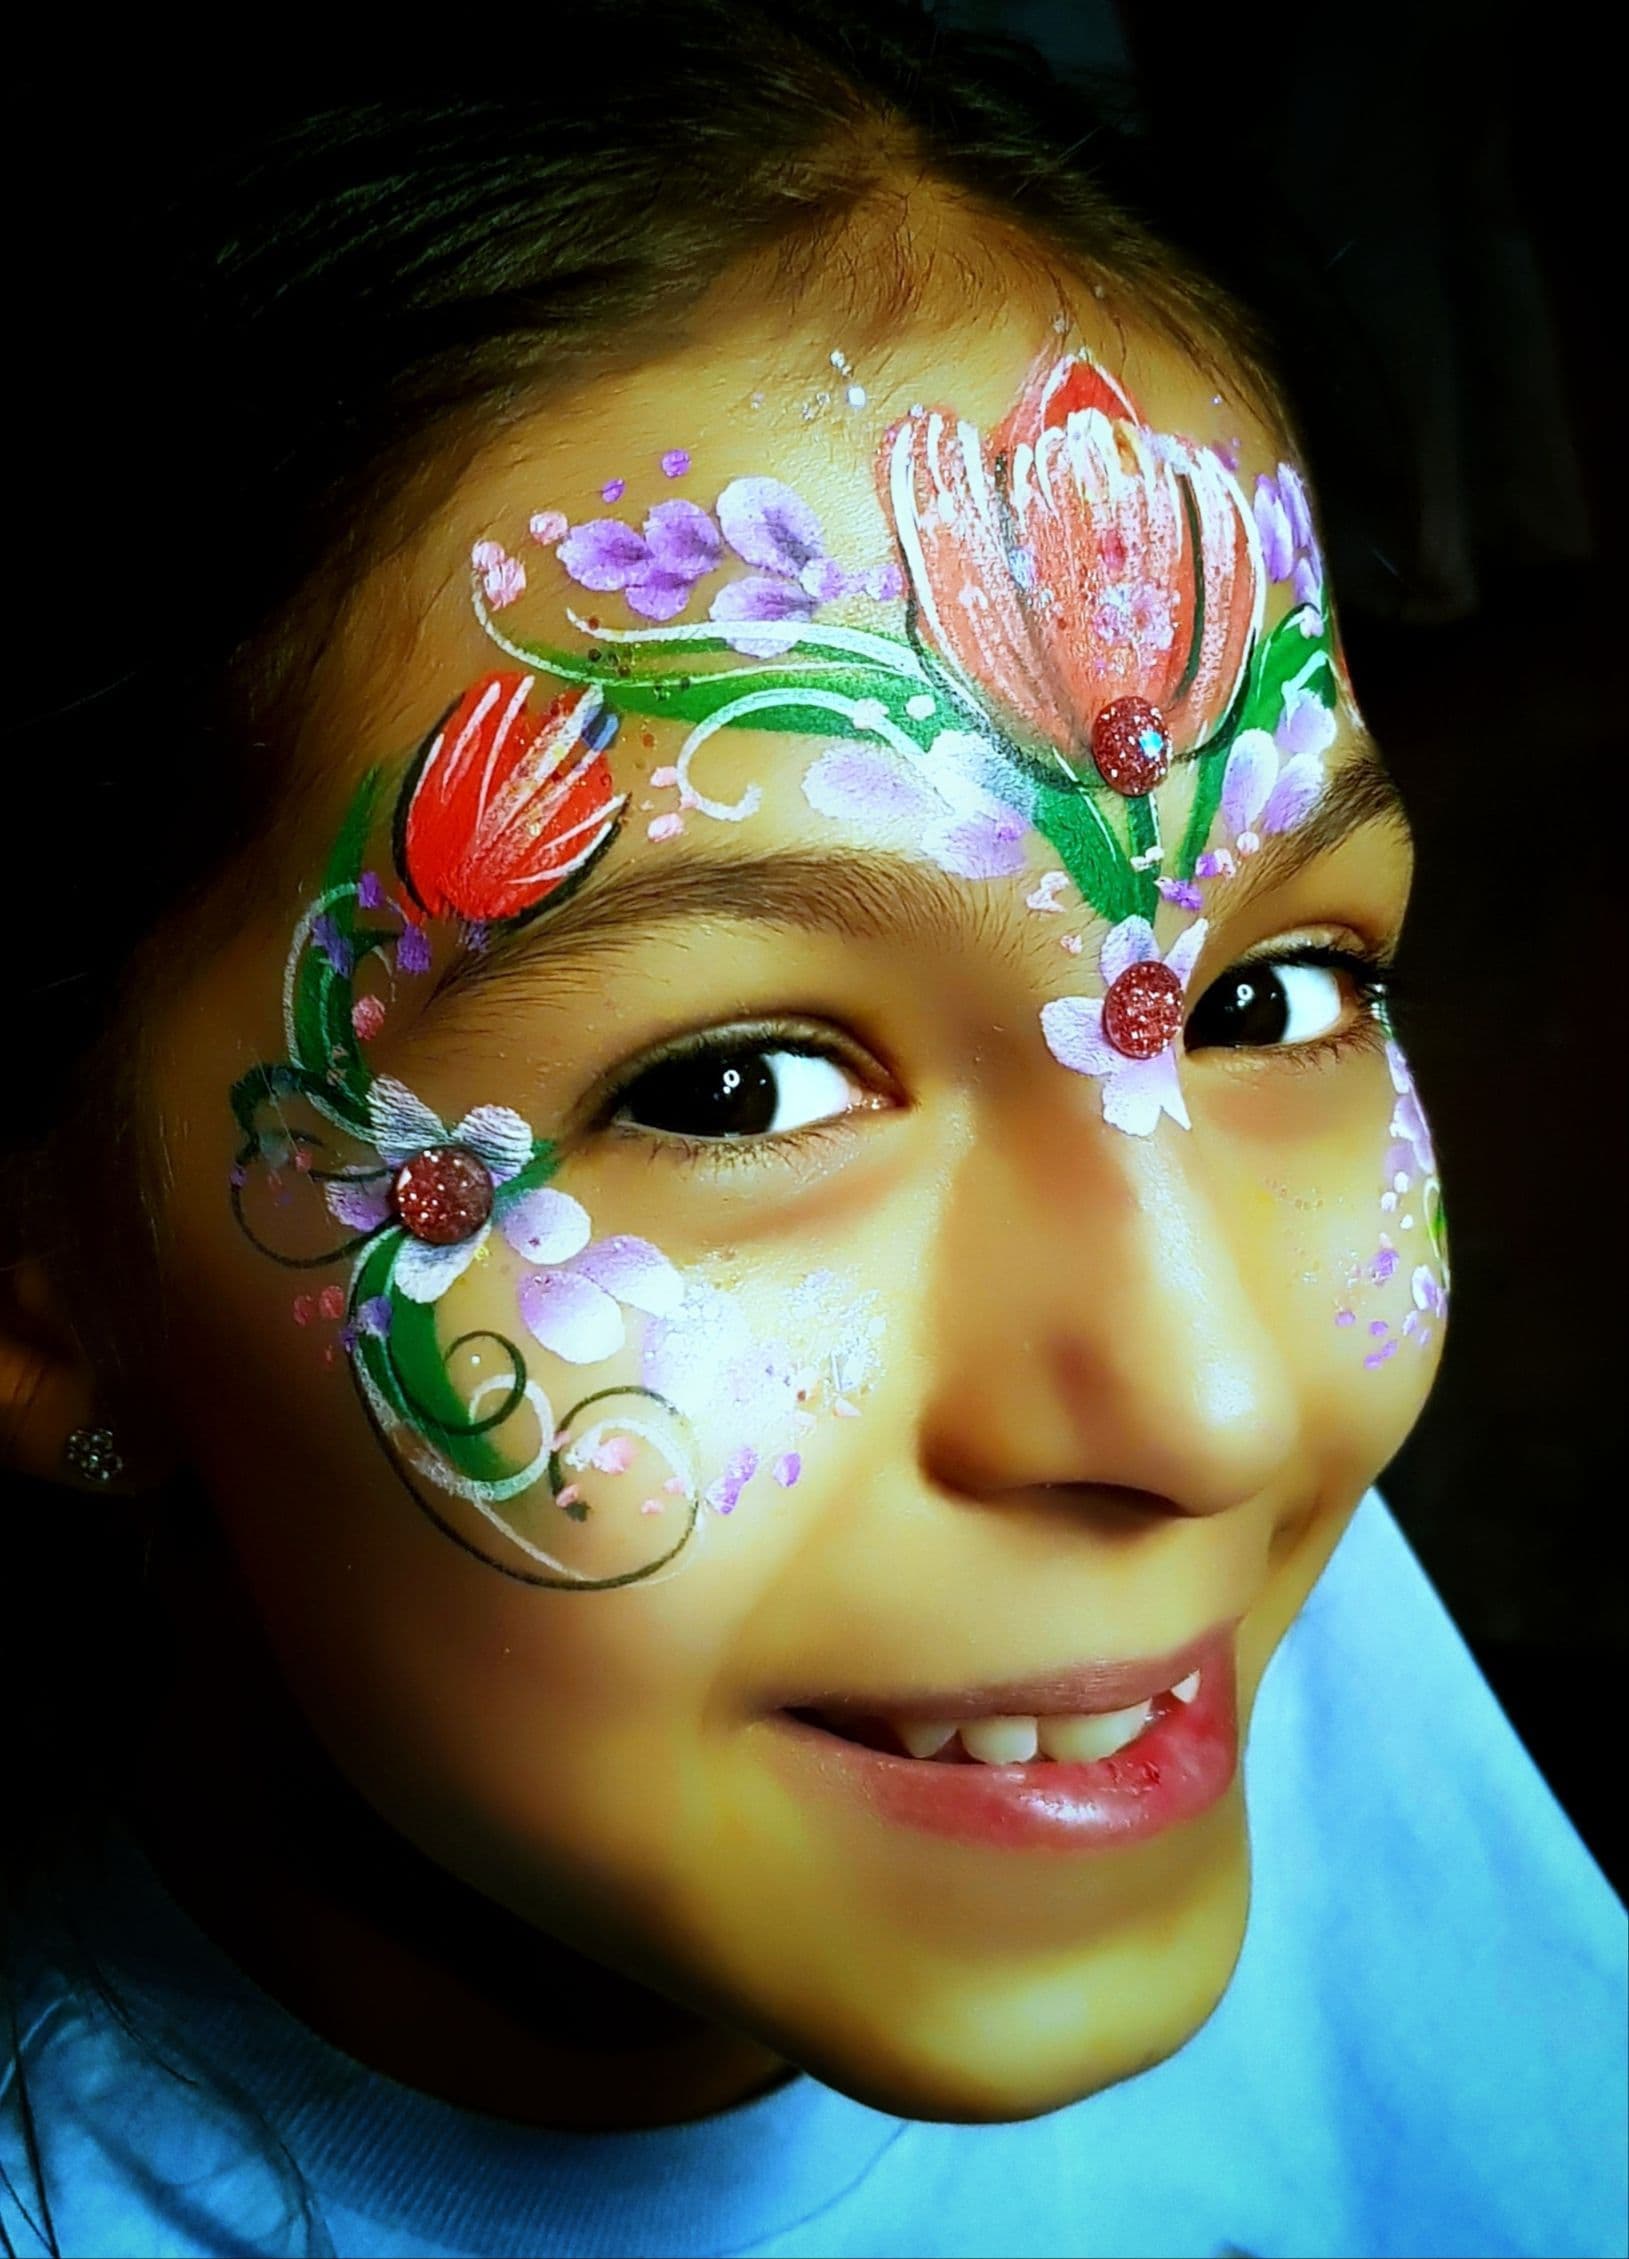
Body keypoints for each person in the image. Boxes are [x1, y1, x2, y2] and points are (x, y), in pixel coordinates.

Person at [1, 20, 1622, 2258]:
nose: (1216, 1406)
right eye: (725, 1084)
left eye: (1268, 998)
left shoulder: (1244, 1686)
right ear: (49, 1272)